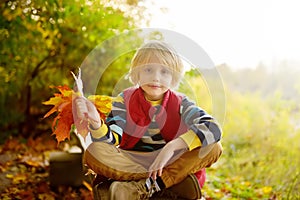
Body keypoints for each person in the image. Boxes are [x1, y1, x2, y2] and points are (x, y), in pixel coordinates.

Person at [74, 40, 223, 200]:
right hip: (133, 160)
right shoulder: (124, 100)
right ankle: (166, 182)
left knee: (214, 146)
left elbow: (213, 128)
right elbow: (111, 140)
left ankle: (139, 187)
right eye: (148, 69)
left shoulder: (181, 103)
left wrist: (172, 146)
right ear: (137, 74)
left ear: (174, 78)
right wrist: (96, 123)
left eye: (164, 72)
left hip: (168, 160)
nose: (155, 77)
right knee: (94, 152)